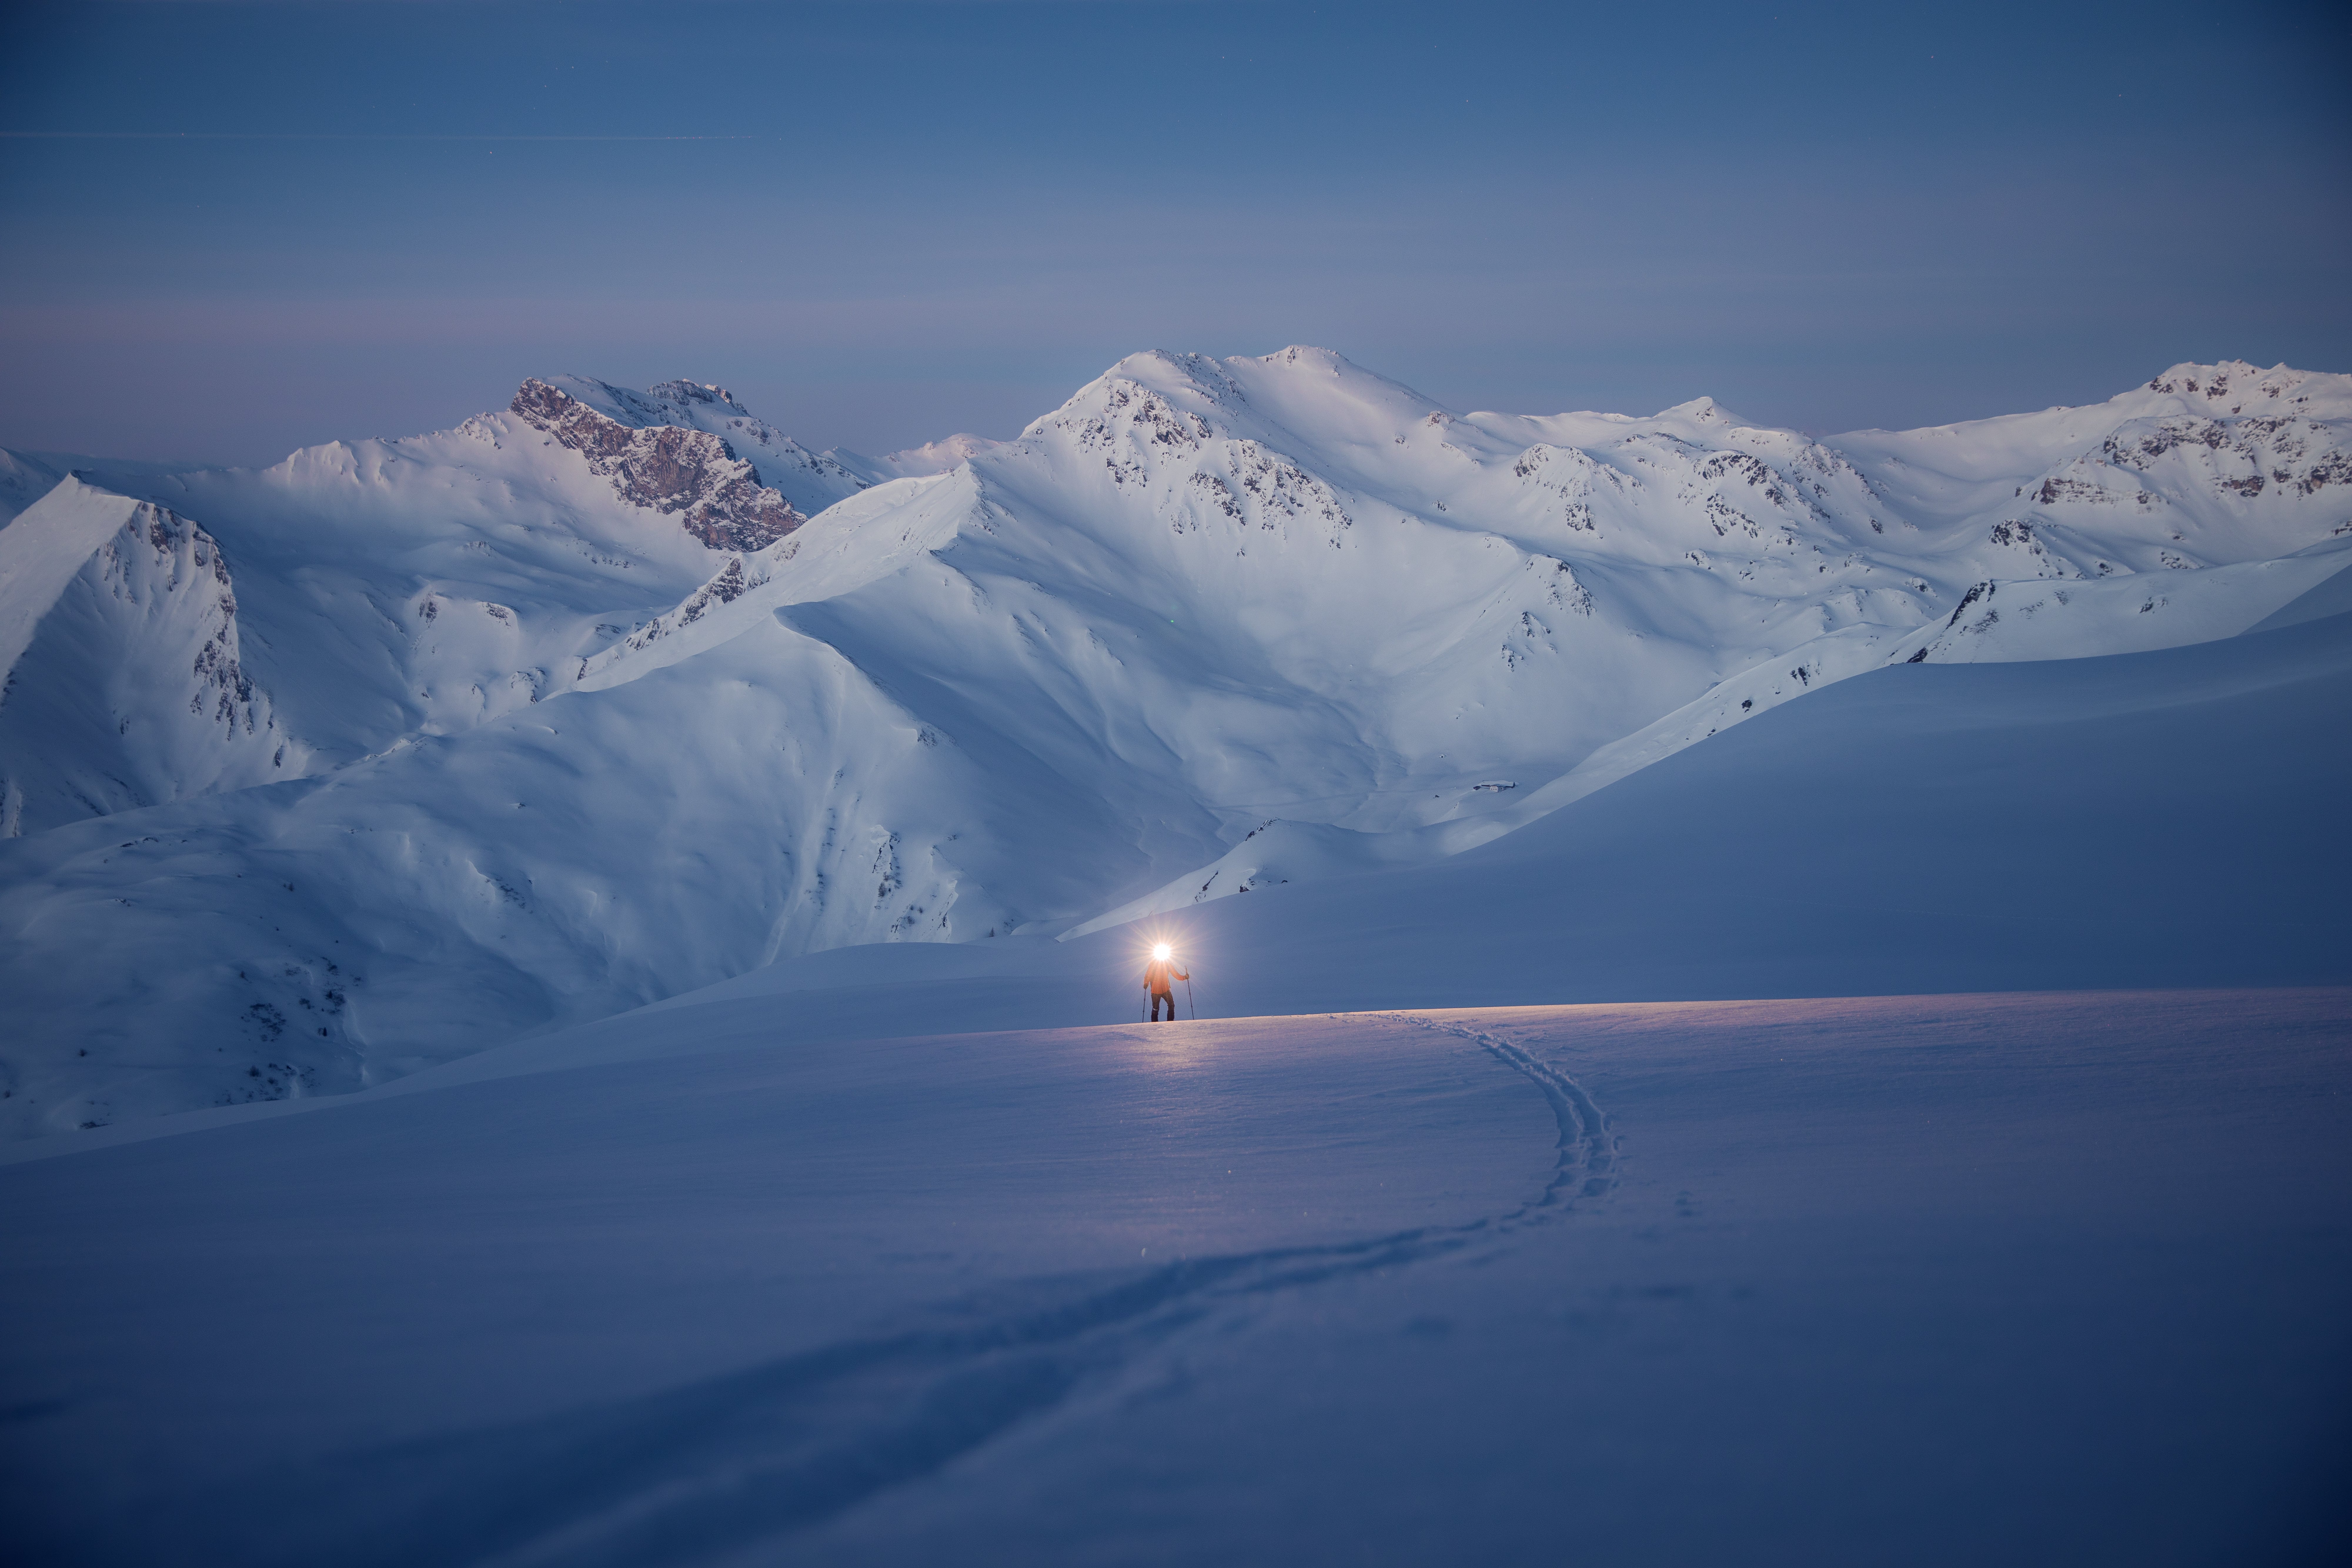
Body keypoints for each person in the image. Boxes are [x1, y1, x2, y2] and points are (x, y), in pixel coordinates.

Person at [1144, 945, 1188, 1022]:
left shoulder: (1168, 964)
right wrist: (1146, 983)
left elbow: (1176, 975)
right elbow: (1148, 975)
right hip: (1156, 991)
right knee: (1156, 1008)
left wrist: (1184, 977)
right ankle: (1155, 1025)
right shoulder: (1153, 964)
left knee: (1171, 1006)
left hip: (1165, 990)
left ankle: (1169, 1023)